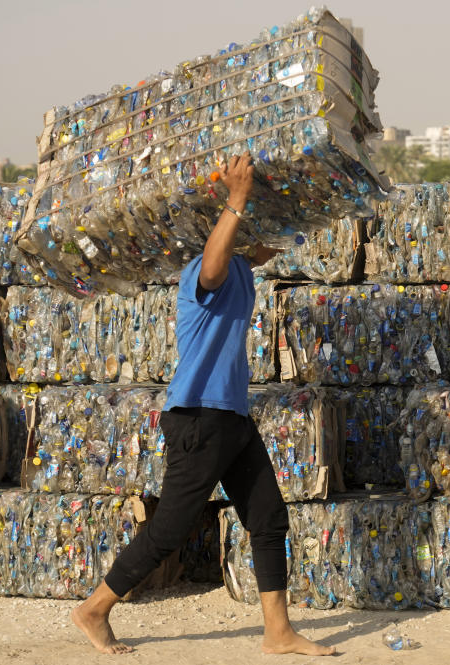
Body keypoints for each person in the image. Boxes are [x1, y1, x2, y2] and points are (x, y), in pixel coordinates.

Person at [72, 153, 336, 657]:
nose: (265, 244)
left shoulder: (242, 270)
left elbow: (239, 257)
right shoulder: (204, 269)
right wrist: (236, 199)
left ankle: (278, 632)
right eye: (257, 229)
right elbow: (212, 269)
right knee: (170, 528)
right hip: (199, 416)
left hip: (231, 416)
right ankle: (94, 608)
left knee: (268, 517)